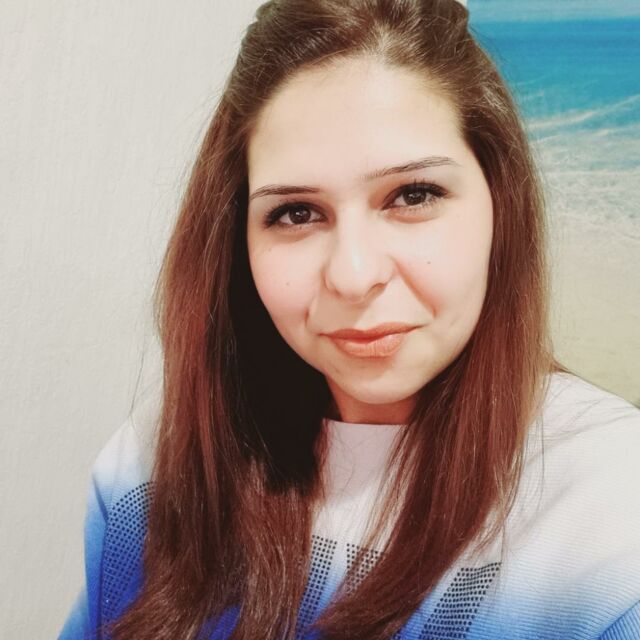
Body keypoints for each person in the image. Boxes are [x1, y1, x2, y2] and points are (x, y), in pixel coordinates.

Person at [58, 0, 640, 638]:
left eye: (412, 195)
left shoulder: (607, 521)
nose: (354, 275)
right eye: (296, 213)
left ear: (501, 203)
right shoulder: (157, 467)